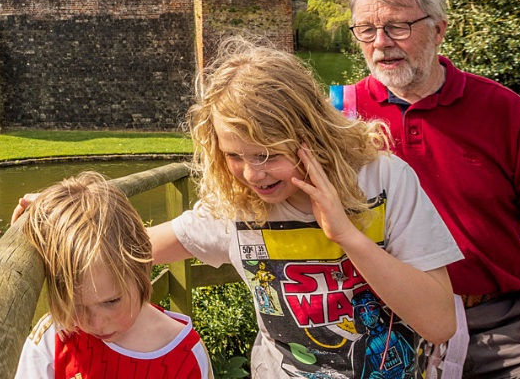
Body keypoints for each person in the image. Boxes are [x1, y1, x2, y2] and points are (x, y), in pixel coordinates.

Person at [145, 39, 461, 378]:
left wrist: (346, 236)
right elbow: (135, 249)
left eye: (267, 155)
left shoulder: (384, 180)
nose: (252, 174)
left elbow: (439, 324)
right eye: (234, 156)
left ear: (311, 135)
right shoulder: (235, 205)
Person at [344, 0, 520, 378]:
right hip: (378, 326)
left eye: (398, 27)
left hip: (497, 322)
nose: (381, 43)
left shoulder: (505, 112)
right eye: (366, 30)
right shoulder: (339, 116)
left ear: (439, 30)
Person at [14, 171, 212, 379]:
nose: (96, 323)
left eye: (112, 301)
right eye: (77, 306)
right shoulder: (55, 337)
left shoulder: (185, 355)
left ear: (141, 270)